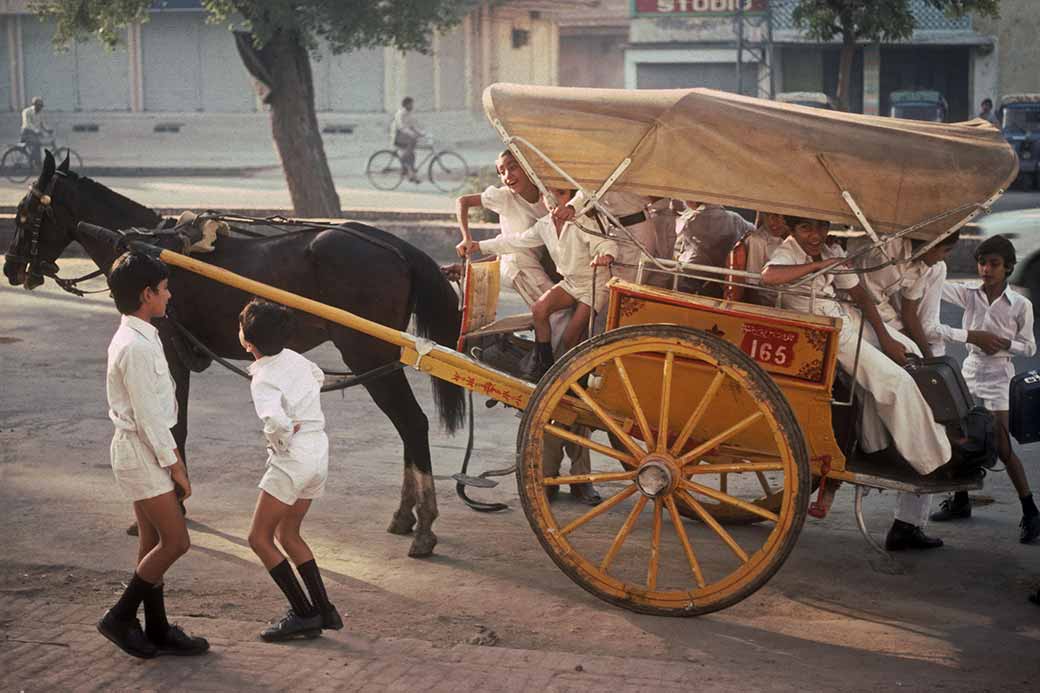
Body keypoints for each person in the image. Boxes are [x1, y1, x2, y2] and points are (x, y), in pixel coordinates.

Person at [454, 151, 600, 504]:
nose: (555, 202)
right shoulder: (540, 219)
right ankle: (557, 477)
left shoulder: (573, 217)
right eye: (501, 171)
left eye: (512, 167)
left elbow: (591, 252)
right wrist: (473, 245)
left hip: (576, 291)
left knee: (566, 384)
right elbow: (514, 244)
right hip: (545, 282)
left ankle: (569, 477)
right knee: (563, 385)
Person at [761, 217, 954, 480]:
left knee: (910, 353)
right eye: (805, 228)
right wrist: (819, 265)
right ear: (793, 230)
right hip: (819, 328)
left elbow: (860, 295)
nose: (814, 235)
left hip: (843, 316)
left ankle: (876, 446)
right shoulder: (789, 250)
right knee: (895, 381)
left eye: (820, 227)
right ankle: (932, 462)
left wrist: (886, 337)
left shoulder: (831, 250)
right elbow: (769, 276)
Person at [97, 251, 209, 659]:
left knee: (152, 540)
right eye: (163, 290)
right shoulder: (136, 347)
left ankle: (158, 628)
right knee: (176, 541)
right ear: (147, 294)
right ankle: (120, 617)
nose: (169, 295)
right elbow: (148, 419)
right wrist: (177, 468)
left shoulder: (142, 334)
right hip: (141, 452)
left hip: (145, 450)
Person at [239, 299, 343, 641]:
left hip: (294, 457)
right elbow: (318, 375)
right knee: (288, 534)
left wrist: (281, 440)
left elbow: (275, 421)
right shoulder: (297, 359)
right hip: (318, 452)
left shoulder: (263, 378)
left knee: (258, 538)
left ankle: (303, 613)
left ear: (247, 342)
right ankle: (324, 610)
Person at [927, 235, 1039, 543]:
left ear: (1008, 268)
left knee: (1002, 446)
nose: (986, 269)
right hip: (969, 373)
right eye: (982, 262)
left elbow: (1029, 347)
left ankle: (1030, 511)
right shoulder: (969, 294)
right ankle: (961, 501)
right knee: (962, 438)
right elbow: (934, 285)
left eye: (994, 264)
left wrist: (1005, 343)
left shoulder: (1020, 305)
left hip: (1000, 377)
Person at [464, 188, 618, 381]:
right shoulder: (544, 225)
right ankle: (544, 366)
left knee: (570, 337)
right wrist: (480, 246)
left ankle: (577, 381)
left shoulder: (584, 221)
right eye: (547, 195)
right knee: (539, 310)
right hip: (571, 283)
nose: (553, 200)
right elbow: (517, 241)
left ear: (571, 198)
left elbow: (606, 245)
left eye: (560, 193)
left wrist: (605, 256)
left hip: (594, 284)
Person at [676, 202, 755, 296]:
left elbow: (679, 245)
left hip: (692, 274)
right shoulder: (735, 219)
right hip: (721, 277)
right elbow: (754, 230)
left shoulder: (690, 219)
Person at [392, 96, 424, 183]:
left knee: (413, 155)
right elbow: (401, 127)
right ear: (406, 104)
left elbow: (413, 126)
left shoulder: (409, 114)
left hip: (405, 135)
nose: (412, 106)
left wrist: (421, 133)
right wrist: (412, 134)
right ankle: (403, 162)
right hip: (398, 136)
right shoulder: (400, 113)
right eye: (411, 104)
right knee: (410, 148)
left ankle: (410, 173)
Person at [20, 96, 51, 167]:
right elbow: (27, 124)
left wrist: (47, 129)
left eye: (41, 106)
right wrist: (36, 131)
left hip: (34, 134)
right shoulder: (26, 111)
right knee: (36, 144)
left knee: (38, 146)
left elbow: (42, 123)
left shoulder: (40, 113)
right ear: (34, 105)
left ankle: (37, 163)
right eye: (39, 106)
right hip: (26, 133)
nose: (41, 108)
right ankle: (32, 162)